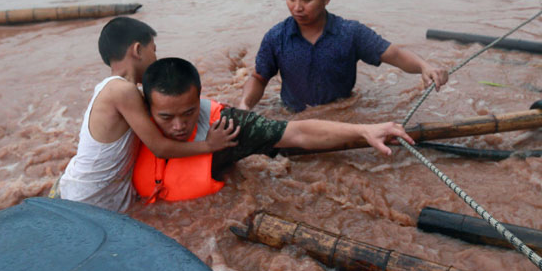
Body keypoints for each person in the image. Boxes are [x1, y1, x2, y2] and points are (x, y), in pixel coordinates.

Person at [133, 57, 414, 203]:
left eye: (189, 113)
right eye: (166, 117)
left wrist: (363, 131)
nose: (179, 126)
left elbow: (297, 133)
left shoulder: (228, 126)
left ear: (200, 100)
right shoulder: (131, 122)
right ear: (147, 109)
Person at [51, 17, 239, 212]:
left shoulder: (114, 89)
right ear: (138, 50)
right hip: (86, 199)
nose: (155, 58)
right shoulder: (122, 91)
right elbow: (160, 148)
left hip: (92, 194)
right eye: (154, 50)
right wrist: (209, 145)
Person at [238, 0, 449, 112]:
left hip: (341, 114)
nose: (297, 7)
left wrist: (424, 67)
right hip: (293, 116)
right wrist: (244, 105)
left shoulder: (350, 33)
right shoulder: (276, 37)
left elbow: (394, 54)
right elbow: (259, 77)